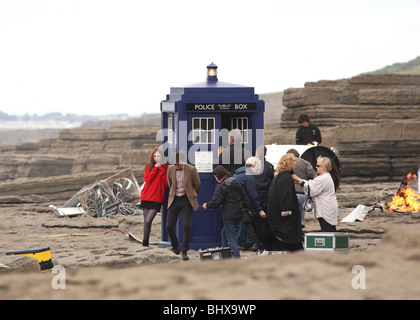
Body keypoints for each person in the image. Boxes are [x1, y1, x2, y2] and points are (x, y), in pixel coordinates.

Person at [203, 165, 253, 259]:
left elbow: (215, 202)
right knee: (225, 233)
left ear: (217, 175)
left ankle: (235, 256)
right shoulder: (234, 181)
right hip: (239, 213)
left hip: (229, 215)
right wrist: (248, 208)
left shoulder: (221, 186)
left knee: (231, 237)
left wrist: (207, 205)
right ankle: (225, 253)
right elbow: (244, 196)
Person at [166, 151, 201, 261]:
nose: (177, 166)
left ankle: (185, 251)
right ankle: (176, 247)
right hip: (174, 199)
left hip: (186, 199)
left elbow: (197, 184)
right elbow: (169, 183)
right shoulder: (170, 169)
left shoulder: (191, 169)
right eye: (175, 164)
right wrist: (173, 193)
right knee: (169, 226)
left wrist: (192, 194)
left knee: (187, 226)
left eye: (178, 163)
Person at [292, 156, 340, 232]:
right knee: (327, 229)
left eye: (318, 166)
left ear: (324, 167)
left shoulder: (324, 178)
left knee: (328, 230)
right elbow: (311, 183)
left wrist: (297, 179)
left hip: (326, 209)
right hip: (326, 207)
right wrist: (301, 180)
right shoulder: (324, 177)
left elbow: (311, 189)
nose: (316, 167)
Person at [267, 153, 303, 252]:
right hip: (286, 221)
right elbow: (285, 195)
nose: (295, 163)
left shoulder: (279, 177)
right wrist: (287, 212)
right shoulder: (286, 177)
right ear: (288, 163)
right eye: (293, 161)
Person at [233, 156, 265, 251]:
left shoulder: (237, 174)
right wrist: (259, 209)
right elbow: (252, 195)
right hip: (243, 205)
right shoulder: (248, 176)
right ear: (254, 165)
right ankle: (247, 244)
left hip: (234, 204)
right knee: (247, 222)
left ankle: (239, 244)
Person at [139, 147, 169, 247]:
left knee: (148, 220)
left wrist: (160, 168)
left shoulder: (167, 167)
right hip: (146, 196)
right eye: (154, 156)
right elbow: (148, 179)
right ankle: (145, 243)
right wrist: (155, 168)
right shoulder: (149, 166)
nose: (156, 158)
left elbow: (166, 182)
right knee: (146, 221)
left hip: (157, 198)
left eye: (158, 156)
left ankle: (145, 242)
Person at [287, 148, 317, 225]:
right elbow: (314, 176)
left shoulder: (286, 163)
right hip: (302, 194)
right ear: (298, 155)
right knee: (300, 218)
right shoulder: (305, 162)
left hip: (290, 194)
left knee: (290, 218)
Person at [254, 145, 275, 251]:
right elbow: (272, 182)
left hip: (255, 195)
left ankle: (255, 242)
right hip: (266, 196)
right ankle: (266, 242)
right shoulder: (270, 167)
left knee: (255, 221)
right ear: (265, 154)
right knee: (266, 221)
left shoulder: (252, 166)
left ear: (256, 153)